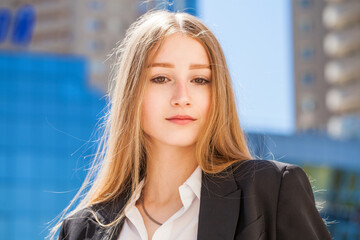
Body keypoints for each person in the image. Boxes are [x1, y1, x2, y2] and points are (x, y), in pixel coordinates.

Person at [50, 10, 332, 240]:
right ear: (132, 93)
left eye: (200, 80)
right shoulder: (80, 230)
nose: (182, 98)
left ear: (217, 93)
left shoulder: (271, 191)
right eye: (161, 78)